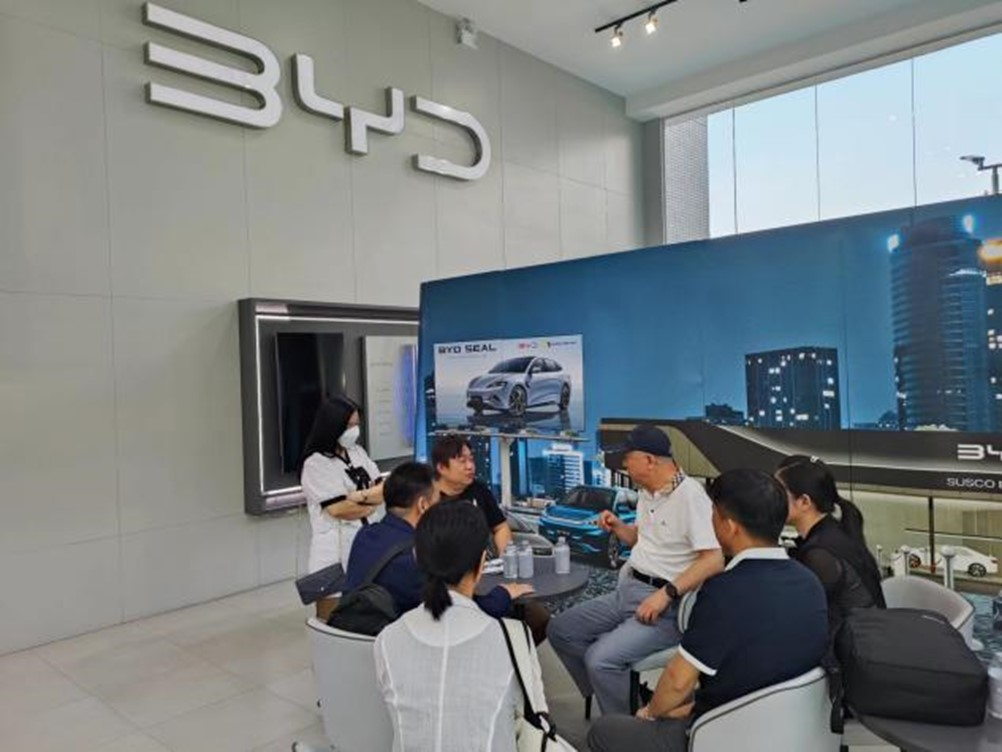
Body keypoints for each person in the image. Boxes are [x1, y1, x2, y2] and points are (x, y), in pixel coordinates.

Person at [587, 469, 830, 752]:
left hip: (727, 733)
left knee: (604, 731)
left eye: (713, 513)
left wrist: (650, 712)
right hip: (791, 729)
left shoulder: (723, 591)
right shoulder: (809, 582)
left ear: (730, 526)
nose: (710, 520)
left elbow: (678, 682)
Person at [548, 425, 724, 716]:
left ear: (650, 460)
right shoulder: (647, 494)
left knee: (600, 660)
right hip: (627, 592)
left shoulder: (691, 497)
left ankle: (624, 729)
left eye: (628, 458)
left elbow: (714, 560)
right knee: (561, 630)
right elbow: (640, 540)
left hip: (664, 607)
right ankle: (621, 695)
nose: (624, 465)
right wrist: (618, 526)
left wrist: (666, 594)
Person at [374, 502, 550, 752]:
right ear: (482, 563)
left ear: (417, 557)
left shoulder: (387, 639)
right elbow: (536, 716)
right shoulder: (514, 639)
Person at [343, 461, 530, 617]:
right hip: (400, 642)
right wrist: (503, 594)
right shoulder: (418, 556)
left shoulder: (364, 535)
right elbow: (458, 609)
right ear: (423, 505)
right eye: (438, 499)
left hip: (354, 638)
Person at [776, 454, 886, 631]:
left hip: (856, 643)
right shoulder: (833, 531)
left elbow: (800, 615)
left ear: (804, 502)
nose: (772, 499)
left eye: (779, 493)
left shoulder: (820, 554)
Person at [300, 397, 385, 618]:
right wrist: (370, 504)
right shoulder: (316, 463)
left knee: (366, 611)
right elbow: (339, 510)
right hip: (332, 552)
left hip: (365, 542)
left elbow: (383, 490)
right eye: (348, 426)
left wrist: (358, 497)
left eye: (356, 424)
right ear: (333, 425)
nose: (354, 431)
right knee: (329, 616)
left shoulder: (358, 453)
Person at [432, 434, 512, 555]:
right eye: (462, 461)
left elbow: (500, 527)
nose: (470, 467)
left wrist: (505, 558)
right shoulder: (428, 497)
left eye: (471, 460)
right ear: (441, 468)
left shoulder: (479, 490)